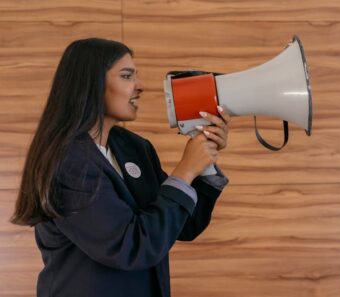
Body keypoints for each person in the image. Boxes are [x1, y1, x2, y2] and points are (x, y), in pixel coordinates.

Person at [10, 38, 231, 297]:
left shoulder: (134, 147)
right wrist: (184, 171)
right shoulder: (67, 162)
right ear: (91, 84)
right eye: (127, 76)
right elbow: (131, 247)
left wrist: (203, 161)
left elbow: (182, 225)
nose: (140, 86)